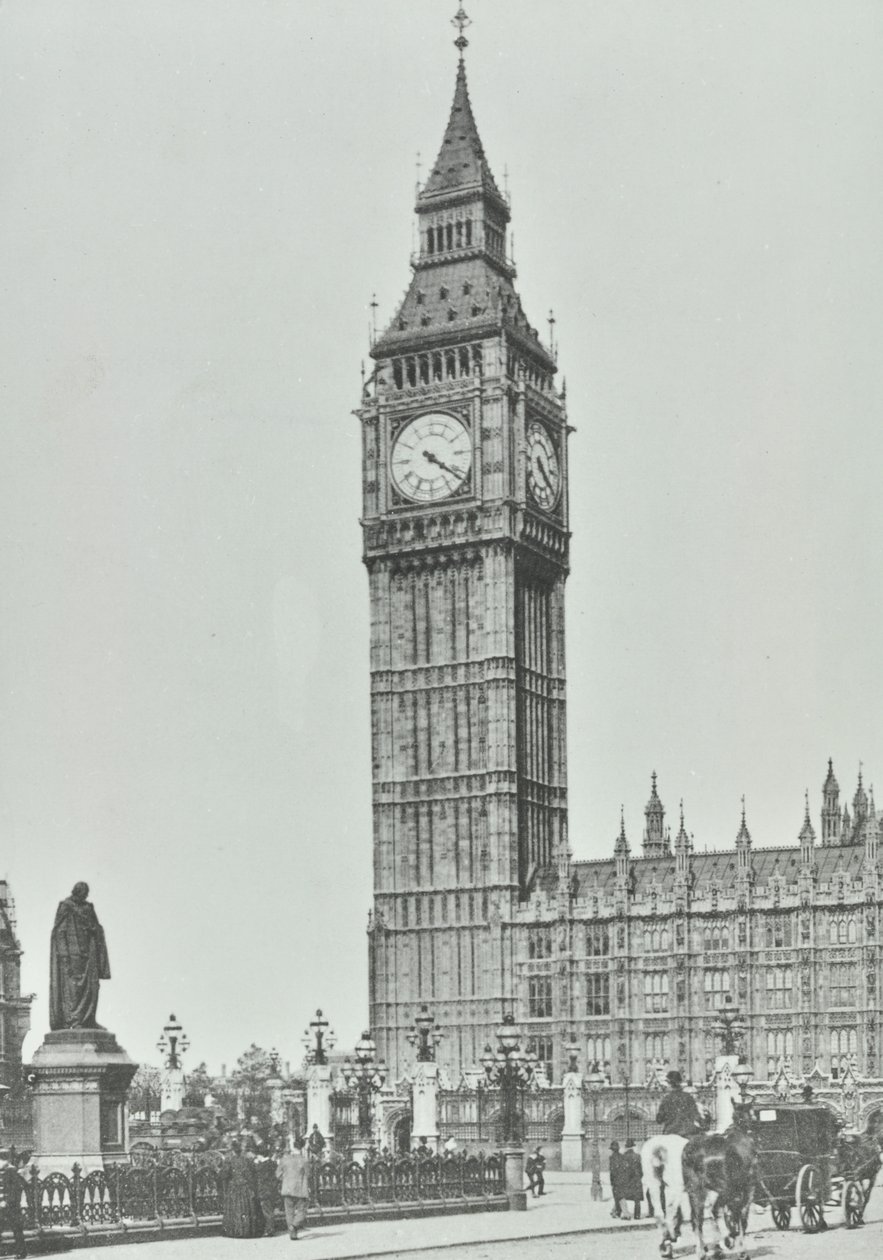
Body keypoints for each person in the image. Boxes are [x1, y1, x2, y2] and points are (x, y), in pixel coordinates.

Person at [49, 882, 110, 1030]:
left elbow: (97, 928)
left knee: (93, 987)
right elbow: (60, 932)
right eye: (84, 893)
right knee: (74, 989)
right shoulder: (66, 906)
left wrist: (94, 929)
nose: (86, 896)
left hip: (89, 954)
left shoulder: (88, 908)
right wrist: (64, 955)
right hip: (72, 955)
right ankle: (74, 1020)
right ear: (77, 892)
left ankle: (89, 1019)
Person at [220, 1140, 262, 1238]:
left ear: (233, 1150)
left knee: (235, 1209)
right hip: (245, 1187)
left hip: (234, 1187)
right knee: (246, 1209)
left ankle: (235, 1230)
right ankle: (247, 1230)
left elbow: (224, 1175)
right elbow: (251, 1175)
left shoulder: (229, 1161)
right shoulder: (247, 1160)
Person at [277, 1136, 311, 1241]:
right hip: (300, 1189)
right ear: (302, 1147)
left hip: (287, 1188)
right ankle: (294, 1226)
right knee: (302, 1210)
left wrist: (286, 1179)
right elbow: (308, 1174)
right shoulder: (304, 1160)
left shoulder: (284, 1159)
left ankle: (292, 1233)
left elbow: (278, 1174)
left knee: (289, 1211)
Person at [656, 1070, 704, 1137]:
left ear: (669, 1084)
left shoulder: (666, 1099)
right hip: (688, 1133)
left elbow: (659, 1120)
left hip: (671, 1133)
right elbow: (696, 1116)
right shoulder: (688, 1097)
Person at [0, 1149, 27, 1259]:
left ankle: (22, 1252)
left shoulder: (10, 1171)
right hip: (3, 1205)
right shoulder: (5, 1170)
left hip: (11, 1206)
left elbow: (15, 1190)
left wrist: (6, 1201)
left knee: (16, 1229)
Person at [253, 1144, 278, 1236]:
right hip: (272, 1190)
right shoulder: (273, 1163)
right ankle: (270, 1228)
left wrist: (256, 1163)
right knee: (269, 1209)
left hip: (263, 1191)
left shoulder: (261, 1166)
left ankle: (269, 1230)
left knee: (266, 1211)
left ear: (260, 1155)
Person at [621, 1138, 643, 1219]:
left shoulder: (623, 1157)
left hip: (627, 1179)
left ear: (626, 1147)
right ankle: (637, 1215)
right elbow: (641, 1169)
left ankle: (624, 1213)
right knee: (637, 1199)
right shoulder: (638, 1156)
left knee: (623, 1196)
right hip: (636, 1179)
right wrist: (639, 1176)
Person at [608, 1140, 624, 1216]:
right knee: (619, 1195)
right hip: (622, 1179)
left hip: (615, 1180)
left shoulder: (612, 1158)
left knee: (616, 1196)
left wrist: (611, 1181)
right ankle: (616, 1210)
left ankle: (618, 1212)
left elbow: (612, 1171)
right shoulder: (622, 1156)